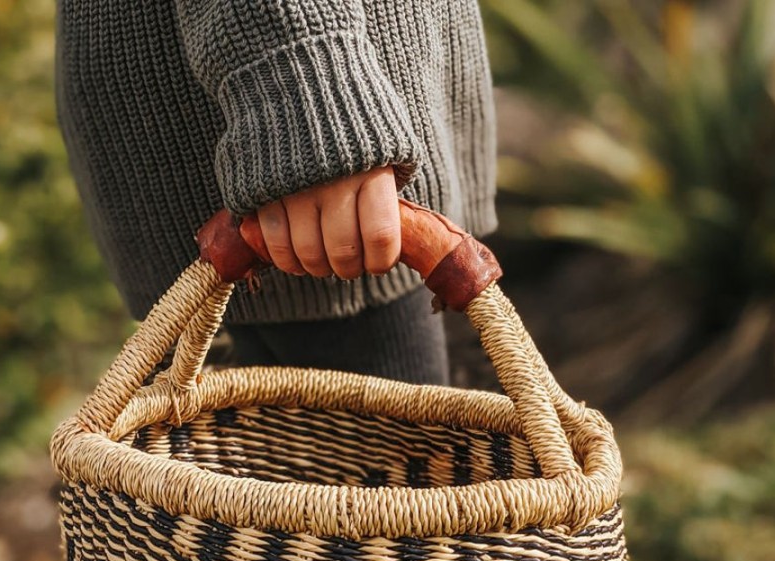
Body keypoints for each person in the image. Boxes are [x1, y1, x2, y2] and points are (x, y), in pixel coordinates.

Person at [55, 1, 498, 385]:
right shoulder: (315, 111)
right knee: (389, 472)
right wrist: (306, 84)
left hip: (346, 131)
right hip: (315, 168)